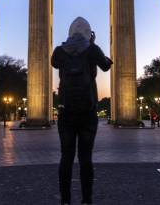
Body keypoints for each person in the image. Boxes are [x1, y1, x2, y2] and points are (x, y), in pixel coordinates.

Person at [51, 17, 112, 205]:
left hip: (66, 111)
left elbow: (54, 63)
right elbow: (106, 65)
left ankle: (65, 201)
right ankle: (86, 200)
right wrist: (92, 44)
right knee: (86, 158)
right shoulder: (92, 49)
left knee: (66, 157)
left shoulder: (59, 51)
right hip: (87, 112)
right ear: (89, 33)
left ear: (69, 33)